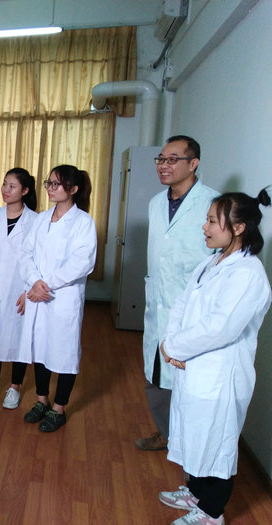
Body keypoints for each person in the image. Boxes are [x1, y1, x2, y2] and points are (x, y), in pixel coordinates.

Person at [157, 189, 271, 525]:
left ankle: (211, 512)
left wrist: (175, 348)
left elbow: (220, 328)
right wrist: (169, 343)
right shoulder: (213, 261)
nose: (204, 227)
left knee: (216, 442)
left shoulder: (248, 273)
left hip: (220, 375)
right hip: (193, 365)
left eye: (211, 221)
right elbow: (182, 303)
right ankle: (196, 493)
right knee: (195, 435)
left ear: (238, 227)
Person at [137, 135, 219, 452]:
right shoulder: (156, 203)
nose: (164, 165)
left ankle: (188, 445)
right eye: (161, 159)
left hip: (192, 308)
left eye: (173, 159)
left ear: (193, 163)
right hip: (158, 302)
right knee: (157, 375)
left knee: (189, 381)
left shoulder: (213, 203)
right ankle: (166, 433)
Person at [18, 165, 96, 432]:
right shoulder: (41, 220)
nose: (50, 188)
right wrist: (34, 281)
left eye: (56, 184)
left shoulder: (83, 222)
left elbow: (82, 263)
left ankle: (59, 408)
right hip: (38, 294)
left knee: (64, 352)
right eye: (48, 183)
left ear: (73, 189)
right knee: (40, 348)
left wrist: (46, 284)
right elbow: (25, 254)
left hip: (63, 298)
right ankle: (42, 400)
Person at [0, 168, 38, 409]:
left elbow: (37, 259)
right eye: (4, 184)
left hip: (20, 290)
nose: (5, 189)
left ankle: (15, 387)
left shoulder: (35, 221)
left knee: (18, 338)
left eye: (12, 186)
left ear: (25, 190)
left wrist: (28, 290)